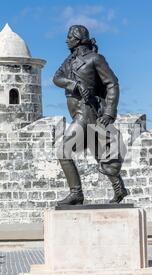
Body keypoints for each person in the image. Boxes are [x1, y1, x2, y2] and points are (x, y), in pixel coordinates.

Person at [53, 24, 129, 206]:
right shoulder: (68, 61)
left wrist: (110, 112)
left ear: (78, 40)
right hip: (77, 113)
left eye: (69, 38)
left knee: (63, 150)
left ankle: (76, 193)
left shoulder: (95, 59)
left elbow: (112, 83)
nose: (66, 41)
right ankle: (119, 188)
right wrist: (73, 84)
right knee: (100, 154)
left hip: (87, 112)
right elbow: (56, 78)